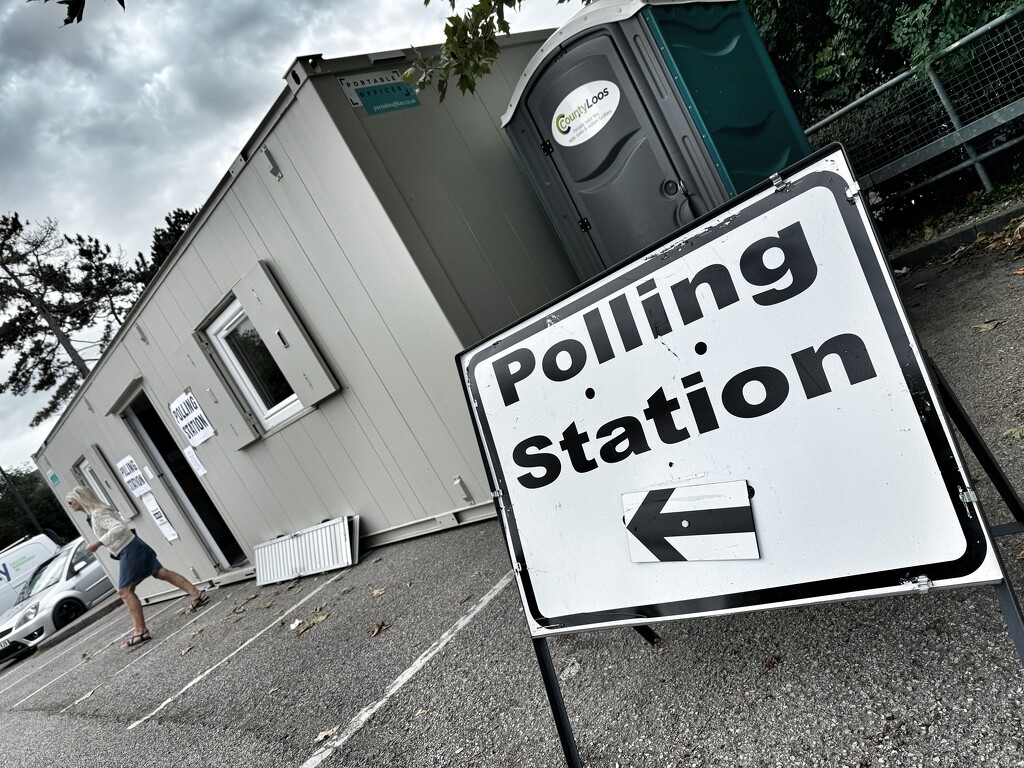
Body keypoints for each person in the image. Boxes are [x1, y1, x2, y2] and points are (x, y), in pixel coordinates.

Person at [66, 485, 209, 649]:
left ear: (80, 499)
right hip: (133, 545)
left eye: (71, 501)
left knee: (125, 591)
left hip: (129, 549)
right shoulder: (95, 513)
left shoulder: (98, 514)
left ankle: (140, 632)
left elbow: (119, 527)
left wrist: (98, 543)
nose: (70, 505)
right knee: (161, 573)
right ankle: (198, 595)